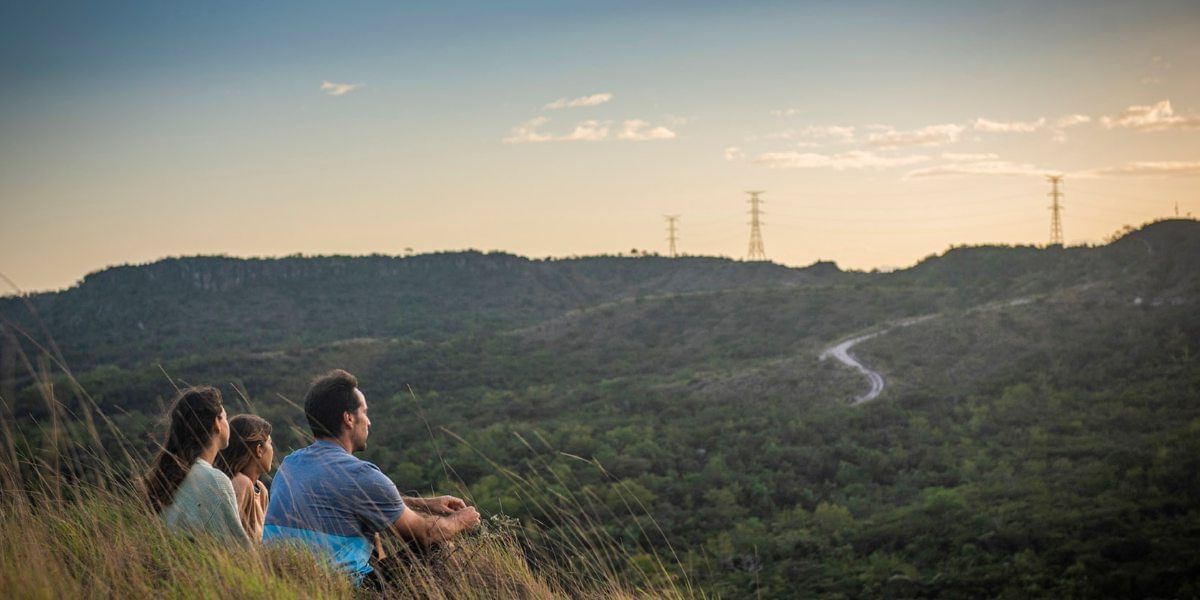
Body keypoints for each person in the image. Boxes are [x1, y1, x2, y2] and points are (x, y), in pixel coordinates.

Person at [263, 369, 480, 584]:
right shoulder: (361, 474)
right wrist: (462, 519)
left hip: (281, 583)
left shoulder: (289, 464)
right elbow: (425, 534)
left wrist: (423, 504)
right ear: (348, 418)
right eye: (364, 412)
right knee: (436, 545)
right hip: (342, 588)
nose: (369, 422)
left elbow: (342, 501)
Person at [143, 386, 249, 545]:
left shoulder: (168, 474)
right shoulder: (216, 481)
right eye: (225, 417)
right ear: (217, 423)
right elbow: (238, 547)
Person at [215, 414, 275, 542]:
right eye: (270, 444)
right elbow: (227, 537)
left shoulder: (261, 490)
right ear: (259, 450)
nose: (272, 451)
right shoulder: (241, 483)